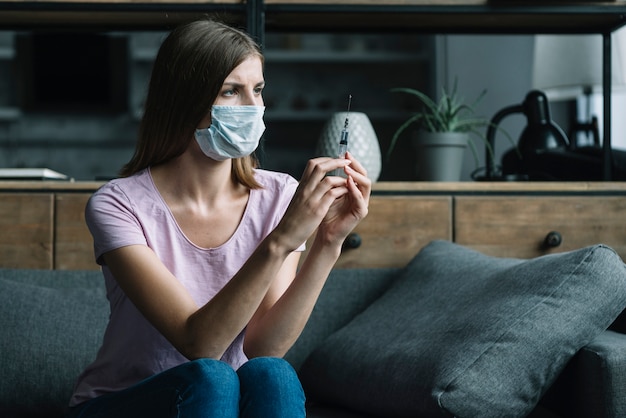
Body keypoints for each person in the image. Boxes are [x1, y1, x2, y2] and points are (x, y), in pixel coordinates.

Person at [65, 18, 371, 418]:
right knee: (212, 378)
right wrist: (280, 240)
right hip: (126, 403)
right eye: (231, 91)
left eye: (257, 90)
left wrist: (327, 242)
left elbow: (262, 348)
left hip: (222, 403)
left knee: (272, 375)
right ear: (185, 102)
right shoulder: (118, 205)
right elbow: (201, 346)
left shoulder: (280, 195)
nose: (253, 107)